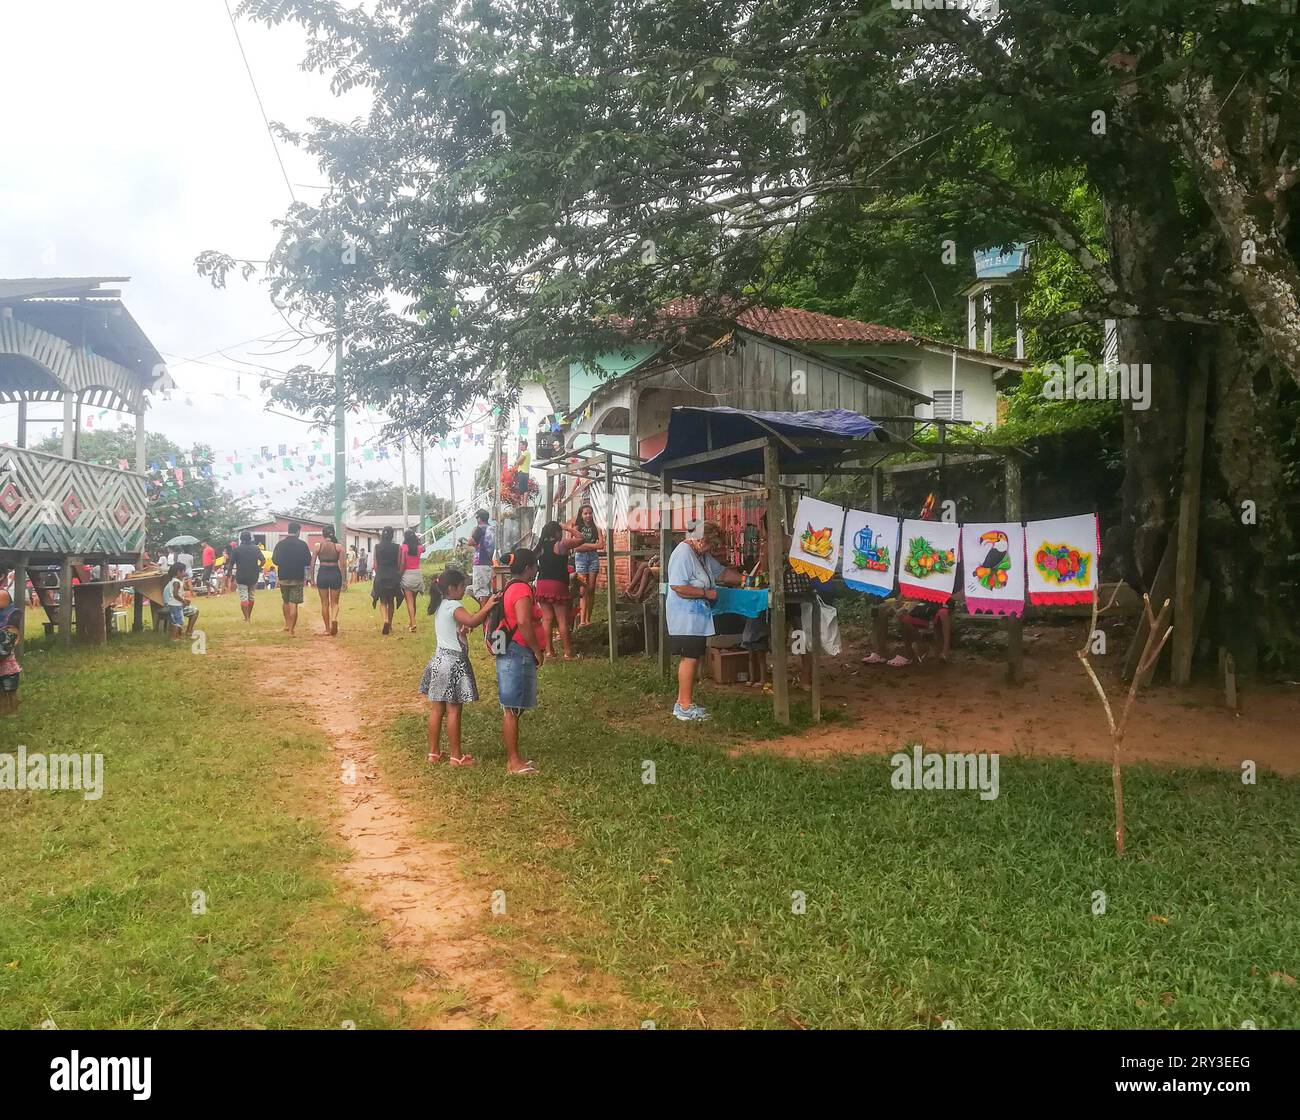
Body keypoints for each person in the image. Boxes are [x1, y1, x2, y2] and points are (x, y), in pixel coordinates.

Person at [420, 568, 499, 765]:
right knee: (454, 710)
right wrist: (487, 606)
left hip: (439, 661)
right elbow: (472, 619)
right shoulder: (454, 604)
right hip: (453, 663)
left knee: (437, 709)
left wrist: (462, 629)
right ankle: (456, 756)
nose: (464, 589)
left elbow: (460, 626)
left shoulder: (441, 605)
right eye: (463, 586)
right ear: (452, 588)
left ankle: (433, 753)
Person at [665, 519, 742, 721]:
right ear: (700, 540)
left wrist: (746, 579)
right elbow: (678, 587)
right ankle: (683, 706)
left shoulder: (702, 556)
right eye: (711, 544)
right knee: (689, 657)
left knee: (693, 657)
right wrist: (706, 594)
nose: (712, 549)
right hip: (684, 616)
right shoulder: (683, 553)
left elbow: (722, 572)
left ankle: (684, 701)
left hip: (696, 616)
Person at [493, 548, 546, 775]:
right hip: (518, 652)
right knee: (512, 709)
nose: (536, 571)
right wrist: (537, 650)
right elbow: (523, 622)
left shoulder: (509, 587)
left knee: (513, 708)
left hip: (511, 651)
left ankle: (515, 757)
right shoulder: (522, 590)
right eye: (535, 567)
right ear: (527, 568)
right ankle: (513, 761)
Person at [534, 519, 583, 661]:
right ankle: (568, 652)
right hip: (558, 583)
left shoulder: (540, 547)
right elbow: (581, 538)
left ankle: (549, 651)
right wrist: (567, 527)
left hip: (542, 583)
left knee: (547, 619)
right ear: (557, 532)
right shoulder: (561, 545)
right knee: (562, 619)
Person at [271, 521, 313, 636]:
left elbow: (274, 560)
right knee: (294, 603)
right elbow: (307, 561)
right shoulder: (302, 544)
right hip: (297, 577)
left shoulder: (280, 544)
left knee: (285, 601)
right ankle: (291, 629)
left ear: (289, 530)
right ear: (298, 531)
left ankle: (287, 624)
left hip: (283, 576)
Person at [568, 502, 604, 627]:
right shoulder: (577, 528)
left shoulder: (597, 528)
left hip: (593, 558)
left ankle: (588, 618)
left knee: (592, 589)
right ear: (581, 515)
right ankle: (582, 621)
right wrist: (591, 546)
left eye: (590, 513)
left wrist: (584, 545)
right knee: (583, 589)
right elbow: (576, 548)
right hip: (581, 559)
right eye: (585, 513)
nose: (588, 515)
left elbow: (601, 545)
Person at [313, 525, 345, 635]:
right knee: (335, 602)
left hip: (322, 573)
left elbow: (312, 564)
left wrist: (311, 579)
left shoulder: (318, 546)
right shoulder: (338, 547)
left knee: (324, 603)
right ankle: (334, 619)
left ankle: (327, 629)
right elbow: (343, 565)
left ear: (323, 534)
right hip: (335, 573)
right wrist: (344, 580)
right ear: (333, 534)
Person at [371, 526, 401, 634]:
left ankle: (385, 620)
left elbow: (375, 564)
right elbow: (399, 563)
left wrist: (379, 573)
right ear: (392, 535)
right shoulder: (397, 547)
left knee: (383, 601)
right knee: (391, 601)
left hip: (381, 575)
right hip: (393, 575)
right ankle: (390, 624)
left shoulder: (377, 547)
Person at [231, 530, 265, 622]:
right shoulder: (256, 548)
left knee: (244, 597)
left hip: (241, 576)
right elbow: (263, 560)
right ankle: (249, 616)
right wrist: (258, 567)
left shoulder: (236, 550)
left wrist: (229, 577)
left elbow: (231, 564)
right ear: (250, 538)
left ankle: (246, 618)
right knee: (251, 597)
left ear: (241, 539)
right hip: (253, 576)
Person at [162, 562, 198, 640]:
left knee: (177, 621)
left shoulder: (172, 582)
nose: (185, 573)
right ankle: (175, 637)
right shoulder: (176, 582)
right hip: (175, 606)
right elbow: (175, 595)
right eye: (184, 571)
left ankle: (176, 636)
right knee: (178, 621)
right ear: (178, 572)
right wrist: (183, 601)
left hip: (173, 605)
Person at [0, 589, 22, 716]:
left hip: (5, 661)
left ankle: (13, 708)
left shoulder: (10, 619)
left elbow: (6, 646)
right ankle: (3, 708)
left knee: (10, 687)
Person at [398, 529, 424, 632]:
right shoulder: (419, 548)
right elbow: (424, 548)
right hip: (417, 574)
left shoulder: (403, 548)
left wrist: (400, 574)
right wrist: (417, 540)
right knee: (414, 601)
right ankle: (411, 622)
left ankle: (413, 623)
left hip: (407, 575)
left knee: (409, 601)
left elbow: (403, 563)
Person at [466, 509, 494, 602]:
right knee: (488, 590)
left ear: (479, 518)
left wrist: (472, 533)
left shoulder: (479, 528)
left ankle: (484, 614)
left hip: (480, 562)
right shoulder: (491, 528)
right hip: (490, 562)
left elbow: (470, 542)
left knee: (481, 591)